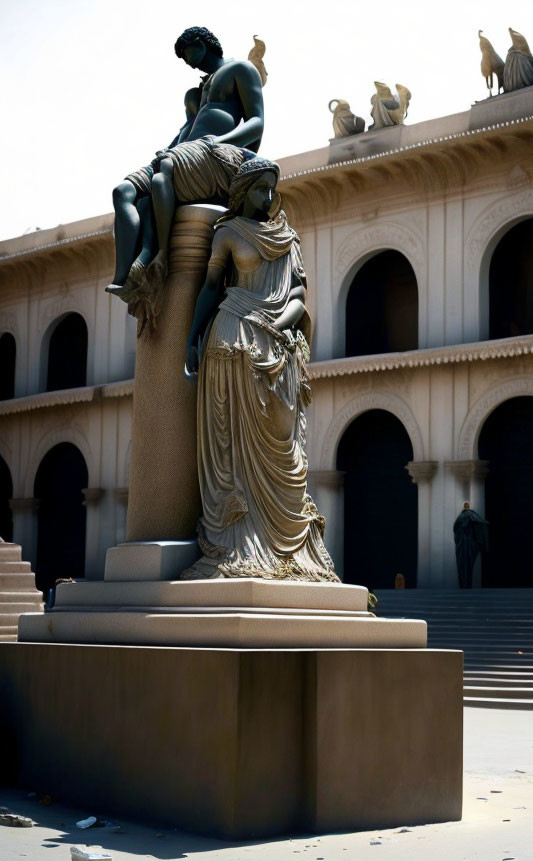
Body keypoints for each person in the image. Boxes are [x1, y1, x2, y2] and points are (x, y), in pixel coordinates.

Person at [181, 157, 338, 583]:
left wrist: (279, 323)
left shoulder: (288, 237)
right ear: (242, 190)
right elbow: (211, 288)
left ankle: (284, 546)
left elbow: (299, 293)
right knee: (232, 443)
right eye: (258, 188)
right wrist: (192, 338)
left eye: (271, 188)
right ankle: (240, 541)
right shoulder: (227, 233)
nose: (267, 197)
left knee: (284, 443)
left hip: (278, 345)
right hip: (232, 340)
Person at [106, 27, 264, 303]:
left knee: (162, 176)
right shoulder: (196, 92)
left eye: (187, 53)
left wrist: (220, 142)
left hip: (214, 154)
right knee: (124, 193)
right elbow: (185, 131)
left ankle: (156, 254)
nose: (187, 61)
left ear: (203, 43)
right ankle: (123, 279)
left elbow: (257, 123)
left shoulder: (241, 69)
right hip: (182, 154)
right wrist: (167, 149)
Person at [453, 501, 489, 588]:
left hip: (465, 545)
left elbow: (456, 530)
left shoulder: (462, 517)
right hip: (466, 545)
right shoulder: (469, 515)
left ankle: (465, 585)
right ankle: (465, 585)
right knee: (466, 566)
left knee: (464, 566)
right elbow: (480, 522)